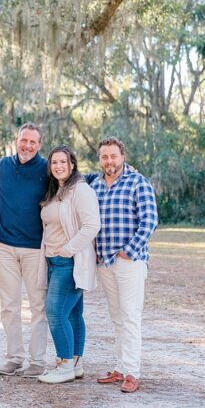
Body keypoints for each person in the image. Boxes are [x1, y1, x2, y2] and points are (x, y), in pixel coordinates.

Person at [88, 137, 159, 394]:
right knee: (117, 316)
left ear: (122, 157)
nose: (109, 161)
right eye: (104, 157)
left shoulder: (138, 182)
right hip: (105, 261)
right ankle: (120, 366)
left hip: (130, 261)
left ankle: (132, 372)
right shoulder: (94, 185)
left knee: (130, 316)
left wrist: (128, 252)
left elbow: (149, 221)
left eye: (113, 156)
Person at [34, 145, 100, 384]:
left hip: (69, 262)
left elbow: (92, 226)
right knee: (73, 313)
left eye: (63, 162)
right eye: (54, 163)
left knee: (55, 312)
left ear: (72, 164)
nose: (59, 166)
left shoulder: (81, 190)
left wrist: (68, 249)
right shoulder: (56, 190)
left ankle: (63, 365)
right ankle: (75, 362)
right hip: (52, 261)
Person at [0, 123, 49, 377]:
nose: (27, 146)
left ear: (39, 145)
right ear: (17, 140)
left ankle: (37, 360)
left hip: (35, 248)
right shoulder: (1, 166)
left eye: (33, 142)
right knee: (9, 304)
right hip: (3, 245)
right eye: (23, 140)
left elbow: (75, 178)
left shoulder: (48, 169)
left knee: (38, 305)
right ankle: (14, 357)